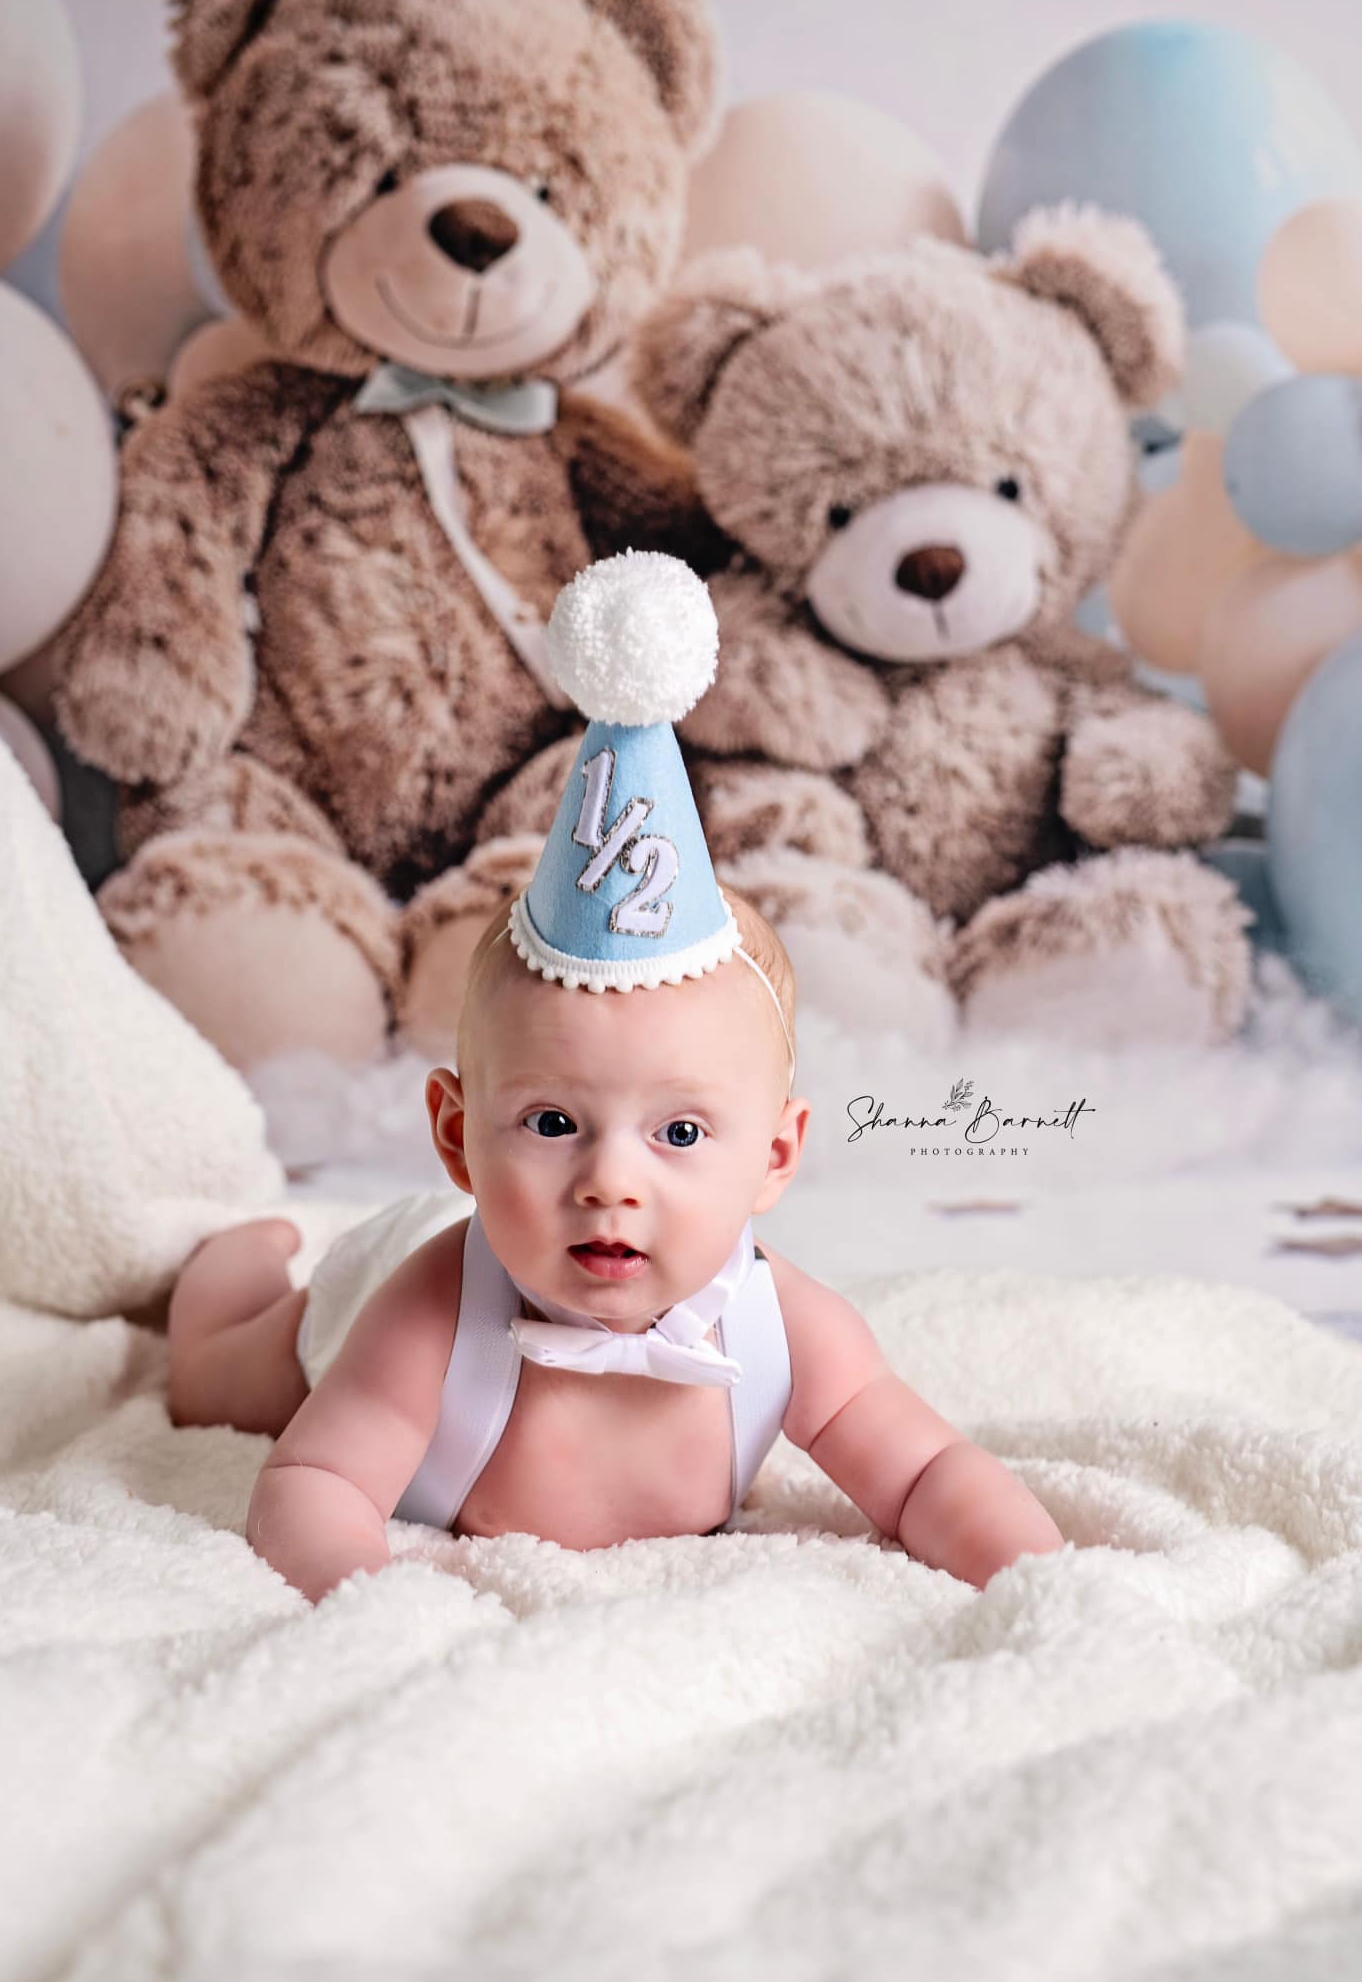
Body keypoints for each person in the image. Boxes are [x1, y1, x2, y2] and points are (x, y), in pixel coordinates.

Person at [168, 552, 1065, 1603]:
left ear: (774, 1154)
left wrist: (1037, 1575)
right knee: (216, 1385)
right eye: (552, 1121)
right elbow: (312, 1484)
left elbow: (923, 1473)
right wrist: (379, 1606)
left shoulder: (787, 1330)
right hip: (362, 1297)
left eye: (680, 1134)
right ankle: (227, 1270)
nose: (609, 1182)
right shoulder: (421, 1320)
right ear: (458, 1135)